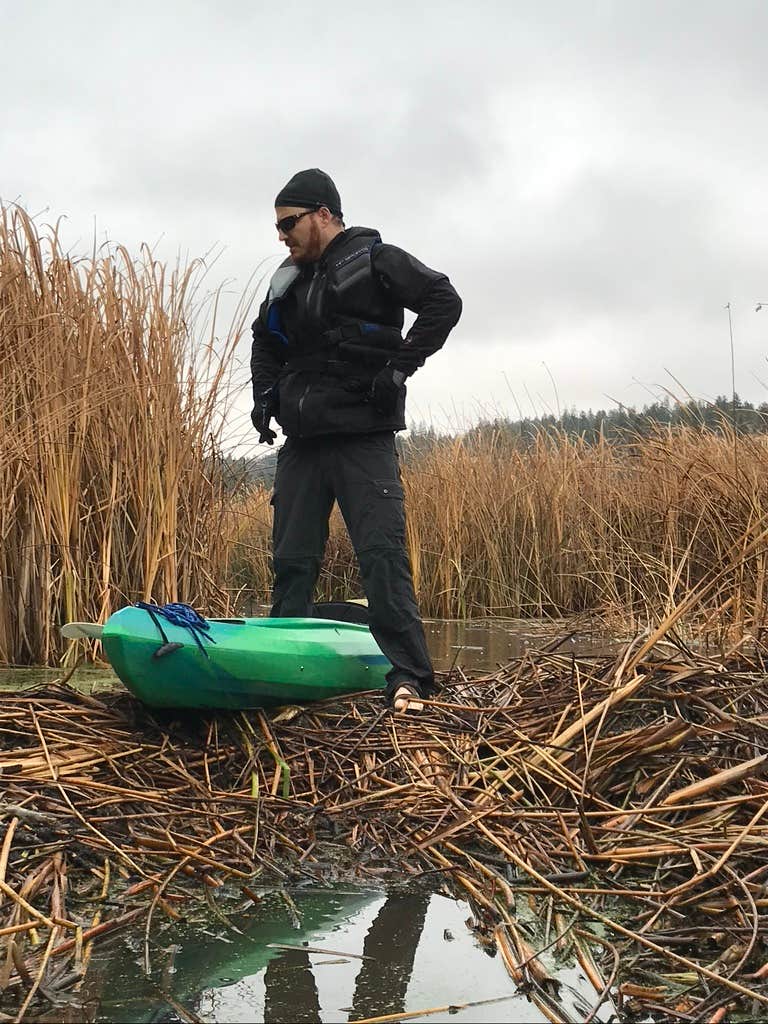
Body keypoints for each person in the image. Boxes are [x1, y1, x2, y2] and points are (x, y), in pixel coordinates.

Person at [250, 168, 462, 713]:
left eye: (289, 223)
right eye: (277, 226)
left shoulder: (376, 260)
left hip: (363, 437)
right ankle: (283, 667)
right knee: (292, 559)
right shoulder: (287, 281)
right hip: (303, 443)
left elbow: (444, 300)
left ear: (323, 215)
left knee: (381, 556)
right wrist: (264, 397)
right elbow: (264, 343)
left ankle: (410, 676)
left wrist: (400, 367)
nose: (281, 235)